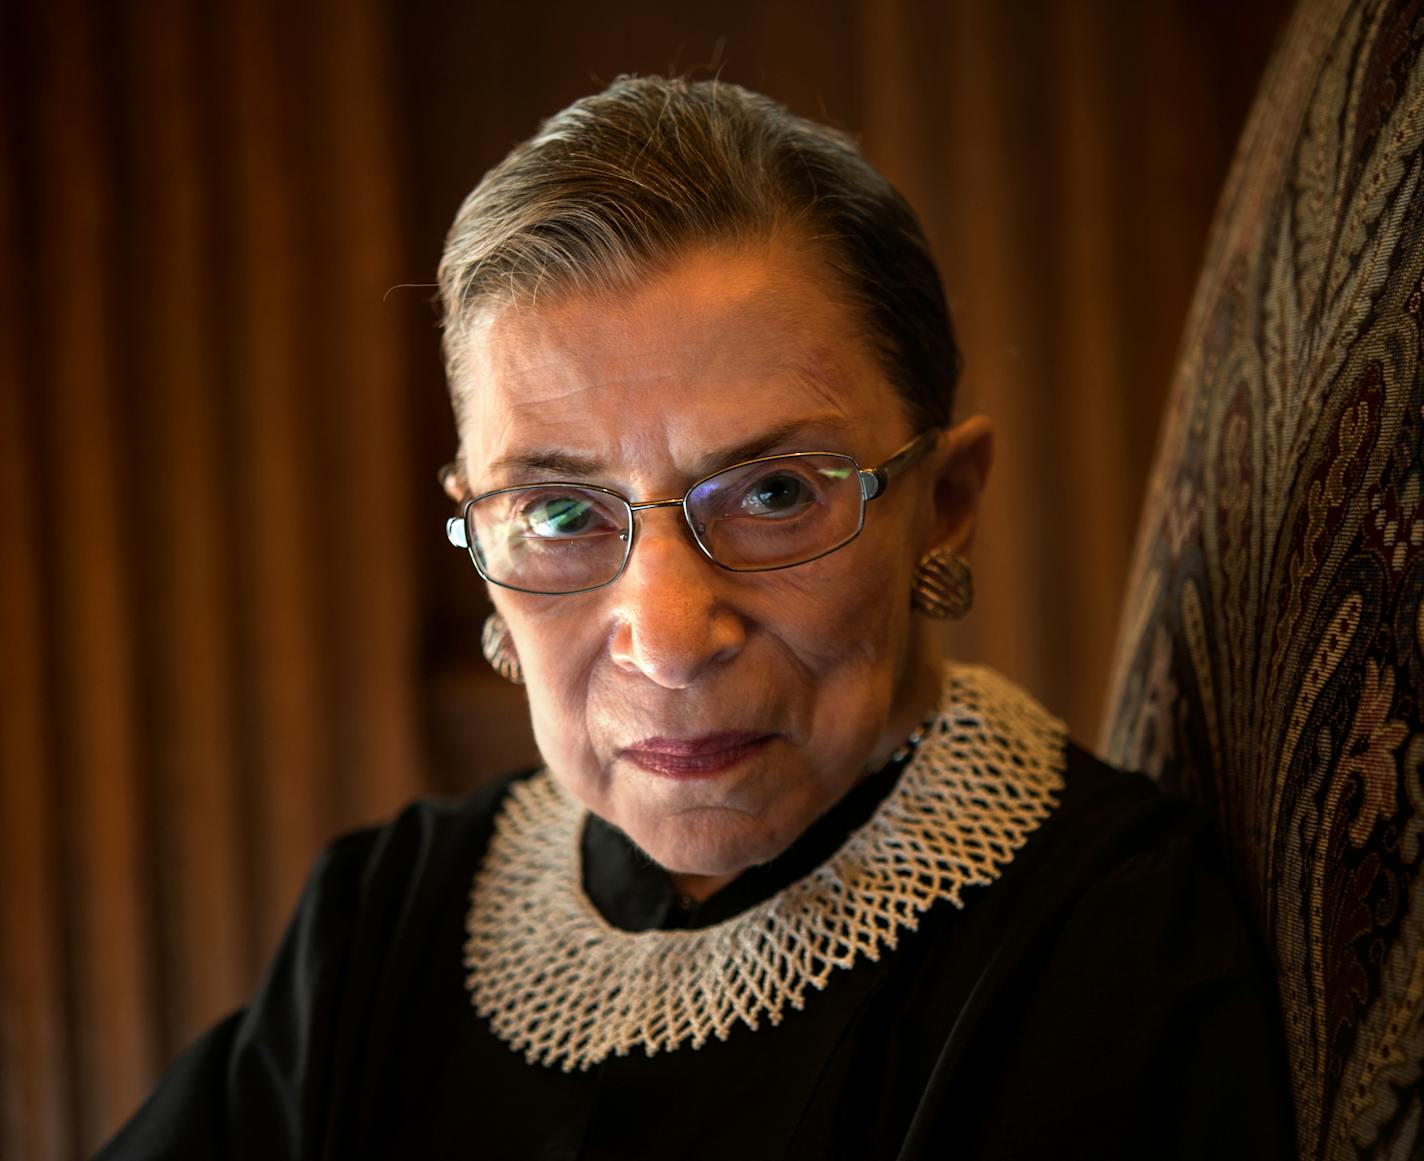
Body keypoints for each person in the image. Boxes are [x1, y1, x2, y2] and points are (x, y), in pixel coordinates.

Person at [98, 76, 1293, 1159]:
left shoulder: (1113, 947)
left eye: (773, 493)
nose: (667, 638)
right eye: (560, 514)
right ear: (477, 532)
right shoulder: (379, 925)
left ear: (943, 504)